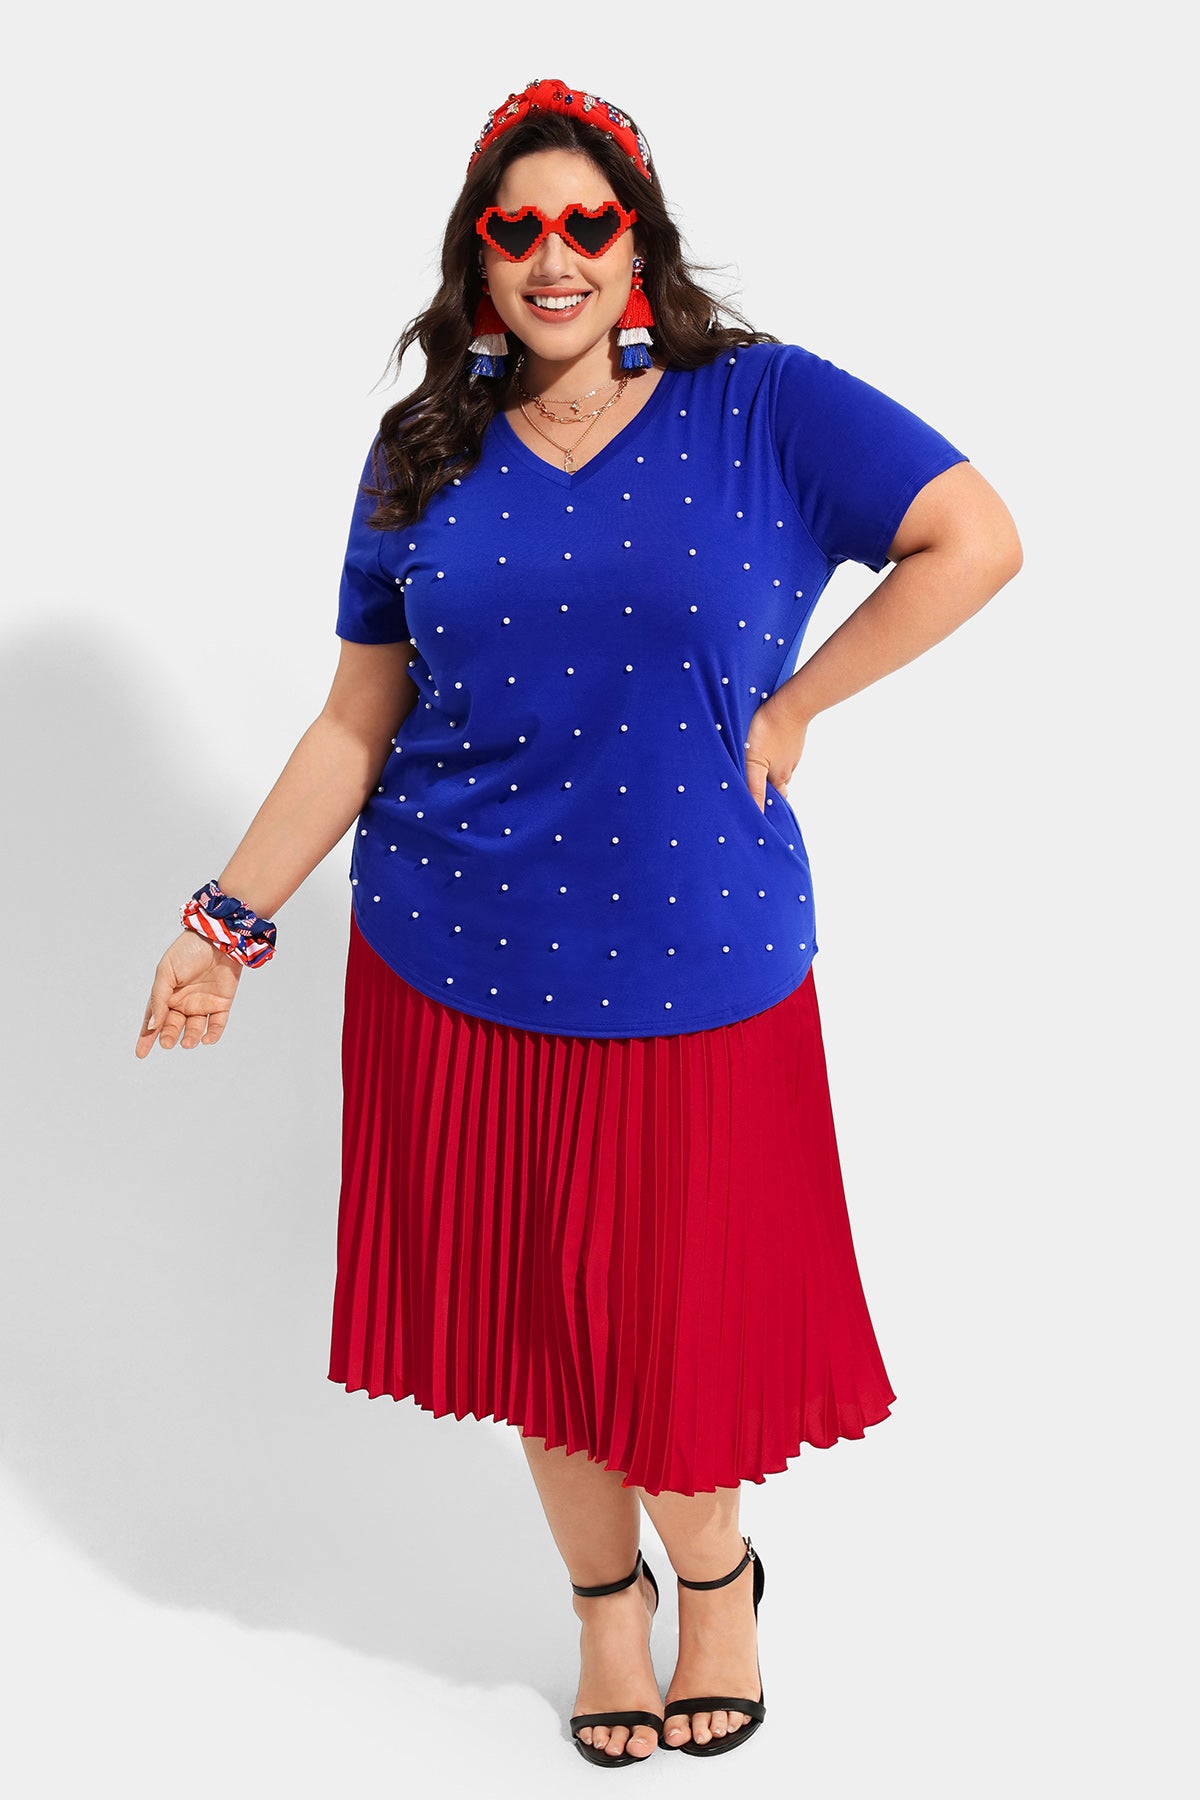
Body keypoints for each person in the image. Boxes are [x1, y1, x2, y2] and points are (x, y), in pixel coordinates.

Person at [135, 77, 1022, 1769]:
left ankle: (719, 1582)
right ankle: (607, 1611)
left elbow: (972, 535)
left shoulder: (760, 406)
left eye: (589, 223)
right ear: (479, 257)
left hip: (700, 962)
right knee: (546, 1336)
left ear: (639, 245)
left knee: (678, 1342)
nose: (556, 254)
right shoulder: (423, 451)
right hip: (455, 954)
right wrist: (227, 919)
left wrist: (800, 705)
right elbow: (357, 720)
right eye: (519, 226)